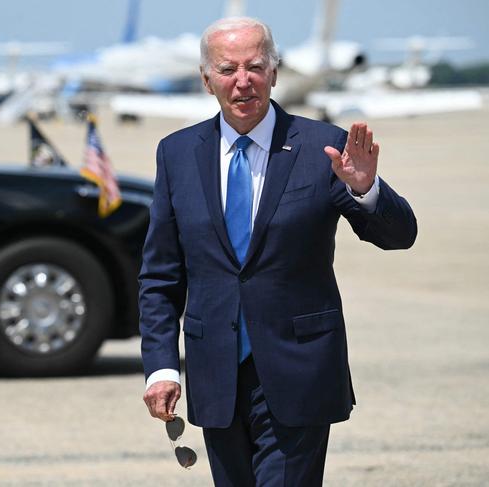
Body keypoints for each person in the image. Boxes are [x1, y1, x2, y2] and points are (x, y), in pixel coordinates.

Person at [138, 16, 417, 487]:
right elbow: (160, 275)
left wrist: (368, 190)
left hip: (299, 368)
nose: (243, 81)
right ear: (207, 80)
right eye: (228, 70)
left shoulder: (322, 147)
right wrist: (161, 367)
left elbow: (399, 234)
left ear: (275, 72)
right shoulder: (177, 153)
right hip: (216, 373)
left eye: (255, 67)